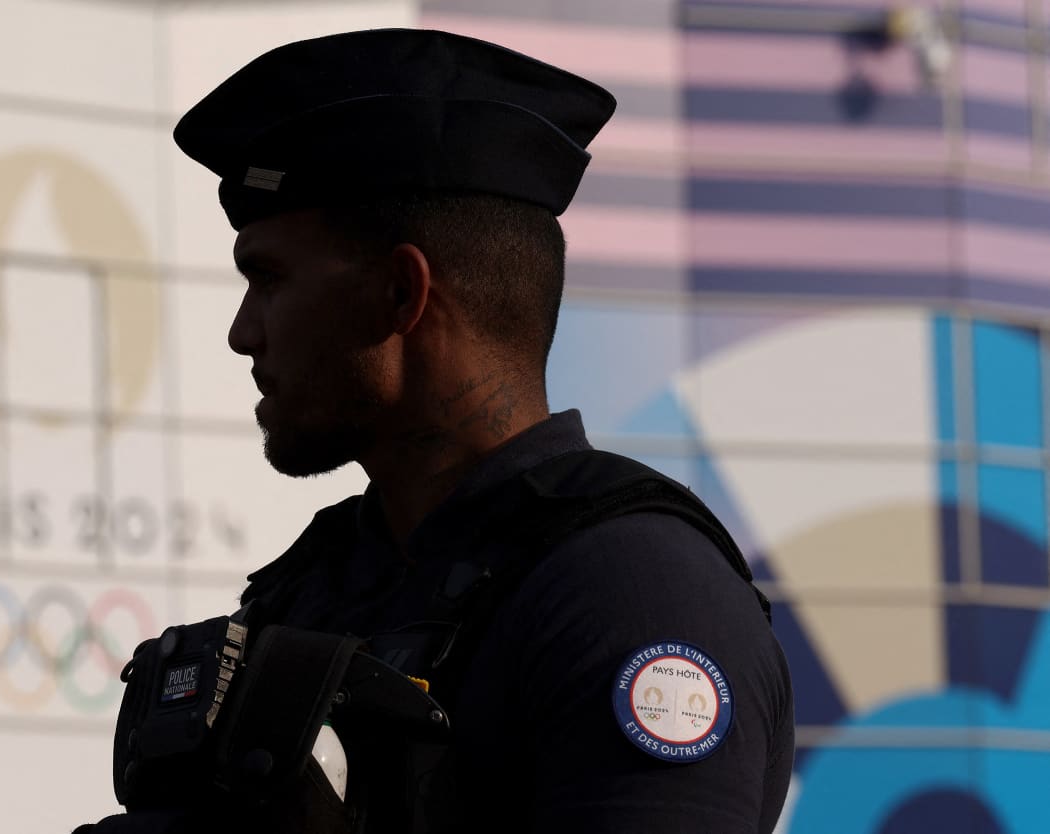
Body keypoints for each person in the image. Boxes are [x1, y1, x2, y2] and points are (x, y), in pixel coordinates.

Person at [168, 27, 793, 833]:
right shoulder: (319, 586)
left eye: (269, 280)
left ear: (402, 294)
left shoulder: (626, 591)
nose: (243, 332)